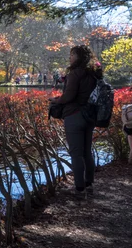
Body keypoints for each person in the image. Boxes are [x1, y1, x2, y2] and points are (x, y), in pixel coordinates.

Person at [48, 45, 103, 199]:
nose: (70, 58)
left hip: (74, 115)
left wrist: (55, 99)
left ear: (79, 57)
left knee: (76, 153)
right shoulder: (93, 74)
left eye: (72, 55)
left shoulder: (75, 74)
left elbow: (69, 96)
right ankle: (89, 184)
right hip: (90, 116)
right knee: (86, 152)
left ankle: (79, 189)